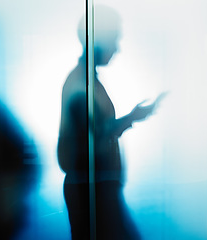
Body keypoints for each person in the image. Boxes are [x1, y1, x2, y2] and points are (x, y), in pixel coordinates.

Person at [58, 6, 163, 239]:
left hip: (96, 187)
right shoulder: (81, 86)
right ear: (98, 39)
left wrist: (131, 118)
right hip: (92, 189)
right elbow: (94, 137)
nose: (117, 48)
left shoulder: (84, 82)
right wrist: (131, 118)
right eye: (114, 39)